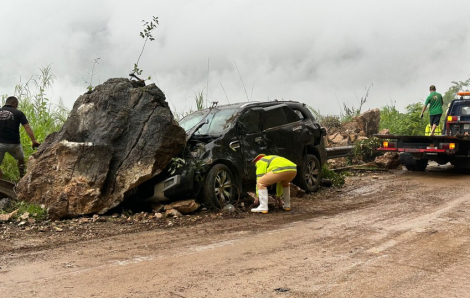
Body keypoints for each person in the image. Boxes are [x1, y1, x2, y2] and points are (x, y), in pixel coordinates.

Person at [0, 96, 40, 179]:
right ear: (14, 104)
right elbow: (27, 127)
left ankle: (1, 180)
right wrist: (33, 140)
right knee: (21, 160)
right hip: (14, 144)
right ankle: (22, 178)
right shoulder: (19, 113)